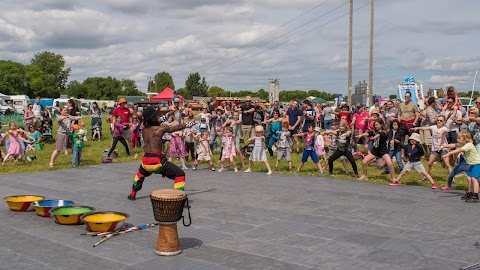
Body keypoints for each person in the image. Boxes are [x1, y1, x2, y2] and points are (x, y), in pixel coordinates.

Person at [128, 107, 195, 200]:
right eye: (156, 115)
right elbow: (175, 127)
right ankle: (178, 199)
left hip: (145, 162)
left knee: (139, 175)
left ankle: (132, 193)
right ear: (152, 118)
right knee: (180, 174)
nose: (158, 116)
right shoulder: (160, 129)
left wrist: (171, 112)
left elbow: (157, 121)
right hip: (157, 163)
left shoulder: (144, 129)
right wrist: (189, 124)